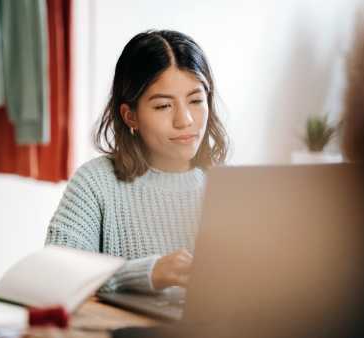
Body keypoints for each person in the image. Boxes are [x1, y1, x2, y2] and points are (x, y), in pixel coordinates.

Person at [45, 30, 231, 292]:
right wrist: (144, 274)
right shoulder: (95, 184)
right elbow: (53, 275)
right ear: (130, 116)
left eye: (196, 100)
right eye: (164, 106)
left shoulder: (231, 186)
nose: (185, 120)